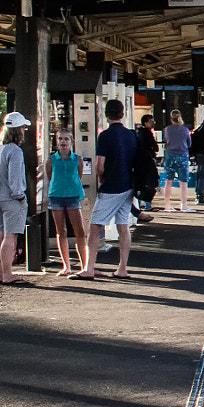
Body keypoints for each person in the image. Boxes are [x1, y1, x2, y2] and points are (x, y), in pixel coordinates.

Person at [81, 99, 141, 280]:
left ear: (106, 115)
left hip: (111, 187)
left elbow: (100, 166)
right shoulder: (131, 135)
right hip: (128, 186)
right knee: (123, 226)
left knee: (95, 226)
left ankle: (89, 268)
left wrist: (101, 182)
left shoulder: (105, 136)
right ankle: (122, 268)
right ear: (123, 114)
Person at [0, 113, 34, 285]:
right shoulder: (15, 151)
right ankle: (8, 274)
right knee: (10, 236)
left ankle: (0, 273)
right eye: (23, 127)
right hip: (12, 199)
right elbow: (15, 178)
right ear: (18, 130)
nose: (24, 130)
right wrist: (21, 197)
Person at [44, 125, 87, 276]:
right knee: (61, 231)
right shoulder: (51, 160)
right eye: (60, 139)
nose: (63, 142)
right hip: (56, 197)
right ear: (56, 142)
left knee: (79, 232)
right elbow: (50, 176)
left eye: (66, 139)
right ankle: (66, 266)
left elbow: (79, 176)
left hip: (73, 197)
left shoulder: (77, 159)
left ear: (71, 142)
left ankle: (84, 265)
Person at [159, 108, 194, 211]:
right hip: (182, 155)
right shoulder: (185, 130)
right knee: (183, 182)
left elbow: (167, 140)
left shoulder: (167, 129)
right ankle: (183, 205)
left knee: (168, 181)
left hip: (170, 155)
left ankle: (167, 205)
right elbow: (189, 144)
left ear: (171, 118)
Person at [133, 114, 161, 220]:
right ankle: (147, 205)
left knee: (143, 183)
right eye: (151, 121)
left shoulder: (139, 133)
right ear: (145, 122)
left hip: (142, 161)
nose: (153, 122)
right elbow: (154, 146)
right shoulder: (146, 134)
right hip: (148, 160)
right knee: (149, 182)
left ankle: (141, 205)